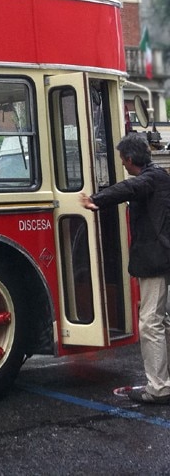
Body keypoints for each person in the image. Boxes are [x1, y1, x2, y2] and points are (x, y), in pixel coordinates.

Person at [80, 133, 170, 404]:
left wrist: (95, 199)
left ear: (130, 160)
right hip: (161, 257)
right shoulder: (159, 176)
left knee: (150, 322)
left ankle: (158, 387)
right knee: (161, 321)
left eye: (122, 160)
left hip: (155, 259)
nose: (122, 165)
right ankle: (163, 381)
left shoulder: (151, 179)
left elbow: (129, 188)